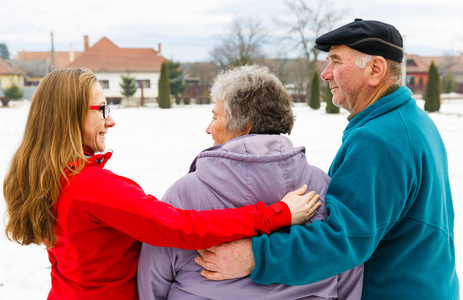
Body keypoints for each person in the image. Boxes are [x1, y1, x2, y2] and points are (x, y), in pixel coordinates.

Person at [195, 19, 459, 299]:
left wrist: (255, 255)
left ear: (375, 69)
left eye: (335, 61)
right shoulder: (410, 120)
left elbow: (345, 237)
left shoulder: (379, 138)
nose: (325, 73)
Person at [2, 68, 320, 300]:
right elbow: (181, 227)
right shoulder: (89, 187)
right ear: (70, 115)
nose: (110, 120)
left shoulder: (51, 174)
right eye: (102, 109)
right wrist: (277, 214)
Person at [137, 65, 363, 300]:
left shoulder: (185, 193)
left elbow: (152, 280)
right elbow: (349, 267)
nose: (207, 129)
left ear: (243, 127)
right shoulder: (321, 185)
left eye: (215, 117)